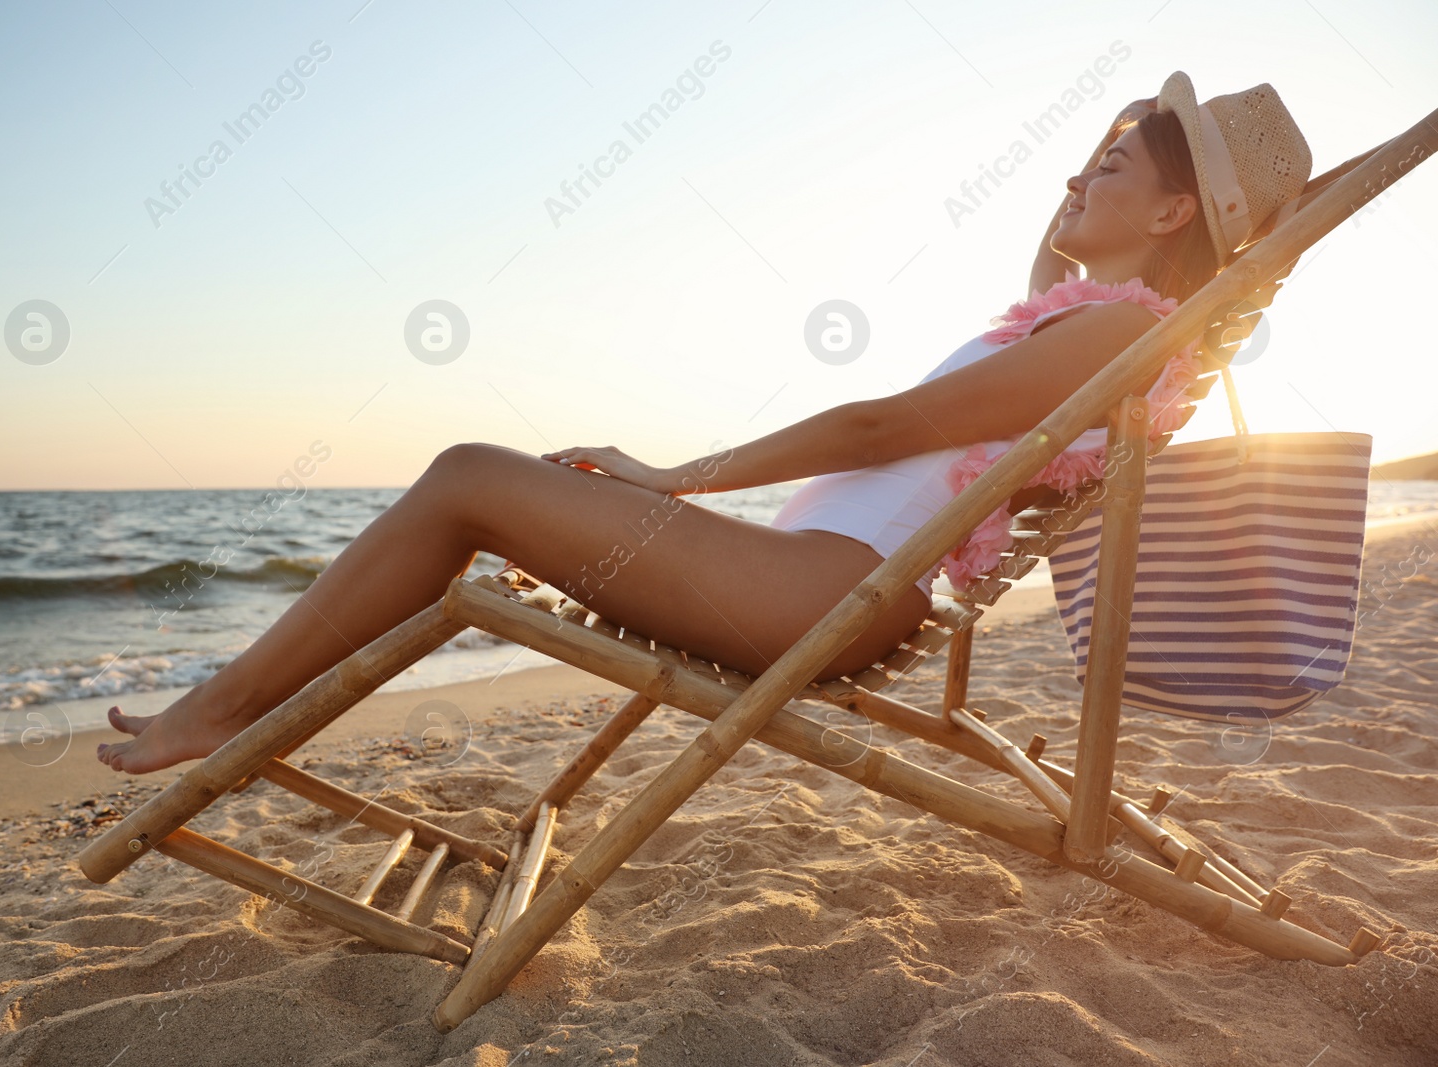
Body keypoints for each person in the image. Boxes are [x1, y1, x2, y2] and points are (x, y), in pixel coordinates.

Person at [99, 71, 1312, 774]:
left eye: (1109, 162)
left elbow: (877, 425)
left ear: (1169, 216)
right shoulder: (1098, 326)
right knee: (488, 479)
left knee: (470, 471)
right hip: (815, 584)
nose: (1072, 177)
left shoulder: (1110, 335)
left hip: (815, 594)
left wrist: (677, 473)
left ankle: (226, 706)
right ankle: (245, 699)